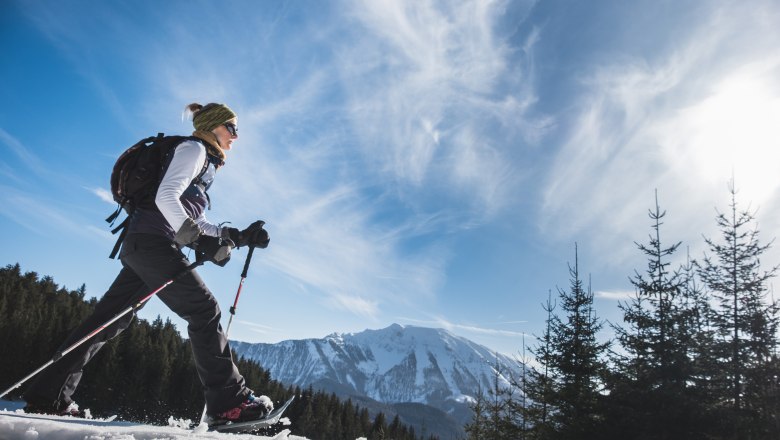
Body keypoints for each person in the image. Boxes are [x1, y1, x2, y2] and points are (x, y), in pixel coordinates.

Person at [23, 102, 273, 426]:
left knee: (108, 320)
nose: (236, 136)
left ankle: (48, 397)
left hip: (143, 245)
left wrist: (237, 236)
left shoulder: (204, 163)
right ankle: (230, 404)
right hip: (153, 244)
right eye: (232, 128)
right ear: (213, 126)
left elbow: (198, 221)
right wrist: (198, 241)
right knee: (204, 309)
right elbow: (165, 196)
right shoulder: (194, 150)